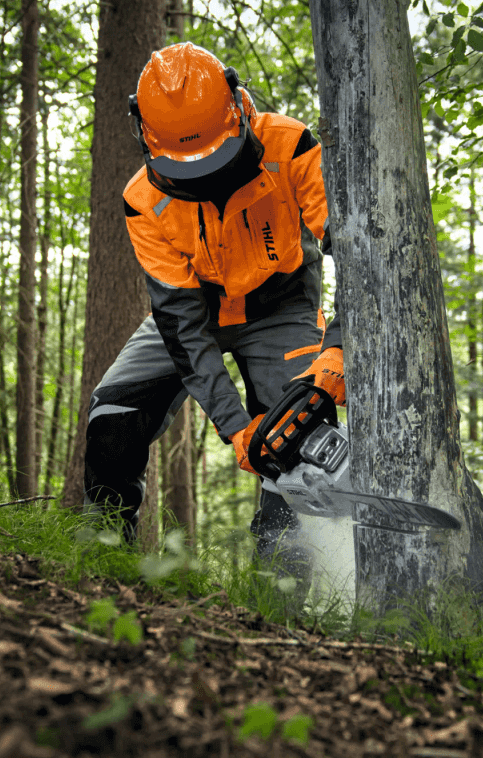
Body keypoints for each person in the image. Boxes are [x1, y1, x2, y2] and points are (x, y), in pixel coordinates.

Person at [83, 42, 345, 588]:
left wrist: (340, 349)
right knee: (112, 413)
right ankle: (103, 568)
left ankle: (281, 594)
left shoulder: (291, 147)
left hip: (281, 304)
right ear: (148, 140)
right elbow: (181, 324)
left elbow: (363, 258)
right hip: (194, 313)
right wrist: (236, 429)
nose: (206, 176)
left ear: (238, 109)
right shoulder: (142, 201)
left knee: (300, 429)